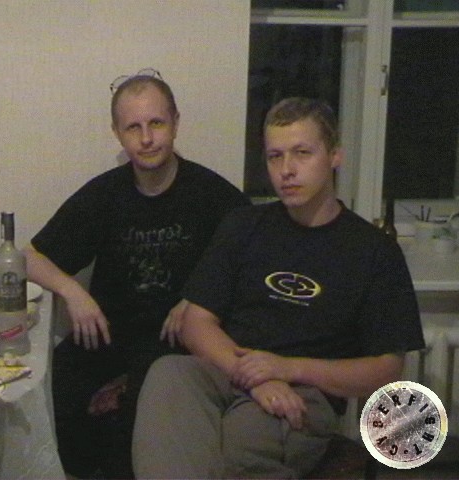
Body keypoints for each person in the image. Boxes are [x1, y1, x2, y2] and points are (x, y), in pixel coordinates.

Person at [132, 97, 426, 479]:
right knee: (168, 373)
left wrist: (288, 369)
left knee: (241, 444)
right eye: (275, 157)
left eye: (302, 153)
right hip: (230, 370)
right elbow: (196, 322)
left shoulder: (373, 250)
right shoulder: (244, 225)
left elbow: (386, 369)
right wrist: (256, 378)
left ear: (334, 155)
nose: (286, 170)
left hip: (305, 391)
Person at [25, 69, 249, 479]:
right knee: (56, 383)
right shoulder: (105, 194)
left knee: (136, 418)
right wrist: (73, 292)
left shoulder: (213, 195)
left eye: (156, 123)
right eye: (133, 127)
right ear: (118, 133)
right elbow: (29, 258)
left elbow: (252, 262)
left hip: (177, 347)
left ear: (176, 123)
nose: (146, 138)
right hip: (110, 337)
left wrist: (198, 299)